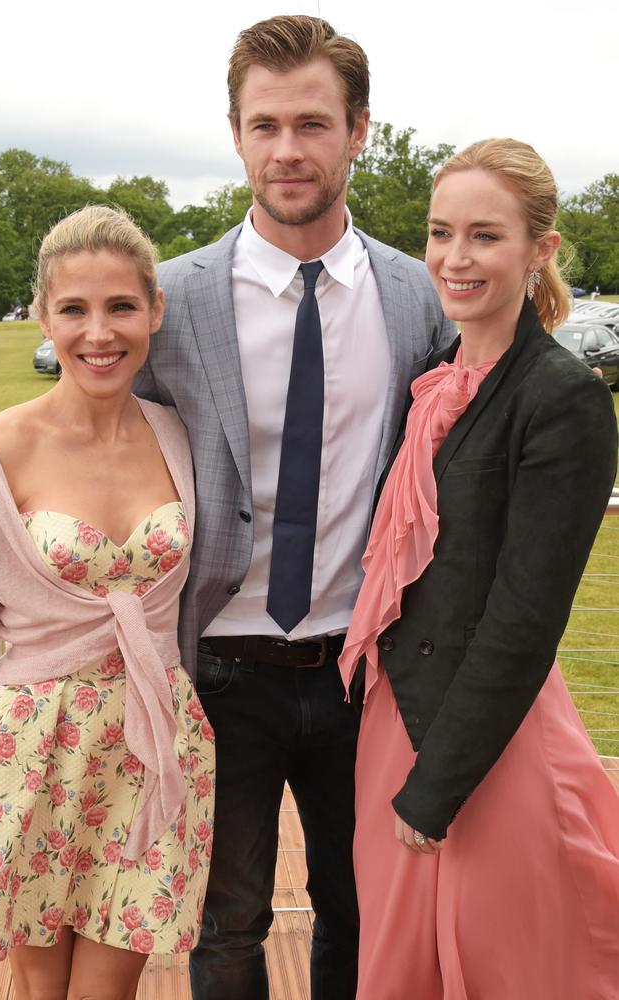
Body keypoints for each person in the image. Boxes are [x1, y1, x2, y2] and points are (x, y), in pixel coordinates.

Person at [133, 14, 454, 999]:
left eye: (311, 123)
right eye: (263, 124)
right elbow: (101, 457)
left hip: (364, 670)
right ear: (234, 133)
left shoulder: (416, 295)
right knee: (226, 921)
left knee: (360, 907)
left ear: (358, 130)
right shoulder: (168, 299)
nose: (285, 149)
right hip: (219, 670)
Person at [338, 138, 619, 999]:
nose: (455, 258)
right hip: (395, 716)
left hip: (481, 744)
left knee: (504, 966)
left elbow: (523, 618)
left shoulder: (561, 396)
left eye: (486, 236)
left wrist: (437, 787)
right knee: (398, 964)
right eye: (440, 232)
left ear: (541, 251)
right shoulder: (437, 377)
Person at [0, 206, 215, 1000]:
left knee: (109, 993)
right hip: (34, 754)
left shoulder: (185, 437)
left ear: (155, 311)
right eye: (73, 308)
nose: (98, 332)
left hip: (157, 747)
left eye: (120, 306)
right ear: (43, 315)